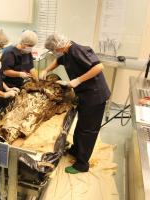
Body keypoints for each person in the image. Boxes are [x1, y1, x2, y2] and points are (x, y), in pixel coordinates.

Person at [40, 34, 111, 174]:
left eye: (54, 49)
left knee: (88, 130)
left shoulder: (78, 50)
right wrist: (46, 70)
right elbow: (59, 60)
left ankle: (82, 164)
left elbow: (99, 67)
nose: (54, 52)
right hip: (85, 94)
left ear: (58, 46)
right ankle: (76, 150)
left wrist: (78, 80)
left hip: (94, 95)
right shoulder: (66, 52)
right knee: (80, 126)